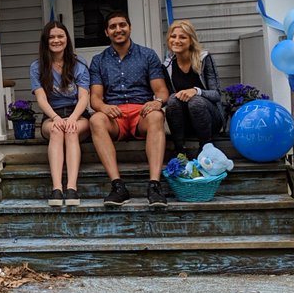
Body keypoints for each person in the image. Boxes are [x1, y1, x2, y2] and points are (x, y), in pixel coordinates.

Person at [88, 10, 169, 206]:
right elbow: (95, 98)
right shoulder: (99, 60)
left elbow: (161, 91)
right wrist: (104, 108)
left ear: (130, 28)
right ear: (107, 32)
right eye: (113, 27)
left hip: (141, 112)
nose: (118, 30)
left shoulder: (147, 55)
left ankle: (154, 186)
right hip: (115, 115)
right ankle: (118, 186)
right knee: (95, 119)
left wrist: (157, 102)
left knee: (157, 116)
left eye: (122, 25)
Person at [30, 21, 91, 207]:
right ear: (45, 41)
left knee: (71, 131)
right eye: (52, 37)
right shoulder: (37, 66)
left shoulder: (79, 64)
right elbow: (41, 99)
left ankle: (71, 188)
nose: (56, 40)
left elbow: (83, 97)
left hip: (77, 115)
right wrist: (56, 118)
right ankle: (57, 188)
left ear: (67, 39)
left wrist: (72, 118)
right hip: (51, 115)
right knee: (57, 131)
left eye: (60, 36)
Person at [162, 20, 225, 155]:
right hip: (185, 123)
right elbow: (170, 98)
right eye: (173, 36)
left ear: (191, 40)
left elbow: (217, 94)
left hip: (209, 120)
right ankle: (180, 151)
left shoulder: (204, 59)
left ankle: (205, 149)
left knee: (195, 101)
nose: (176, 40)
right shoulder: (167, 65)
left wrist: (196, 91)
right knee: (173, 99)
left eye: (182, 37)